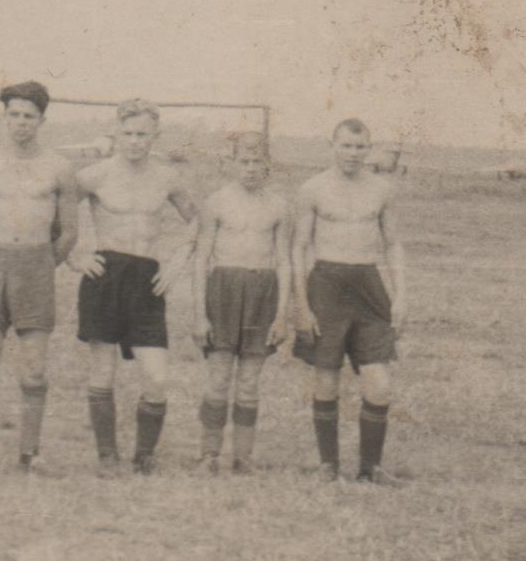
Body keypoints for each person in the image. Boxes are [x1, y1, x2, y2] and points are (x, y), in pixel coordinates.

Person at [0, 81, 78, 473]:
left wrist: (41, 264)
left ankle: (29, 454)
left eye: (29, 116)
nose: (21, 123)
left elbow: (69, 233)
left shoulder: (59, 168)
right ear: (3, 117)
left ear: (42, 120)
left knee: (34, 368)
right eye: (14, 115)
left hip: (36, 266)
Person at [73, 99, 197, 476]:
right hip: (105, 276)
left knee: (157, 377)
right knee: (103, 370)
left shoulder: (167, 177)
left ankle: (144, 456)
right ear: (116, 132)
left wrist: (178, 261)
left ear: (155, 135)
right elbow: (52, 214)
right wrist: (74, 255)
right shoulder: (94, 175)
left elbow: (197, 220)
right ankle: (107, 456)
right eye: (127, 133)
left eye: (142, 134)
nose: (134, 141)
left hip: (146, 280)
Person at [292, 118, 407, 484]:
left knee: (380, 383)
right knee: (326, 378)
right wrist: (301, 305)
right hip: (327, 284)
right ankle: (328, 465)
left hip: (369, 286)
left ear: (368, 149)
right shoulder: (313, 189)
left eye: (360, 147)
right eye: (346, 145)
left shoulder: (382, 189)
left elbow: (393, 243)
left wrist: (401, 295)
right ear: (332, 145)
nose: (353, 154)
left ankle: (370, 468)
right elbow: (299, 247)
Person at [190, 131, 290, 475]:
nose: (250, 168)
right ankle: (209, 454)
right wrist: (199, 315)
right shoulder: (216, 202)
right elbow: (201, 259)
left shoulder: (279, 206)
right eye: (244, 161)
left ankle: (243, 457)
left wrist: (281, 315)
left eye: (257, 161)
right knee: (218, 378)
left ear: (268, 164)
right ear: (232, 163)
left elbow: (284, 261)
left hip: (262, 292)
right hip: (223, 292)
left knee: (249, 381)